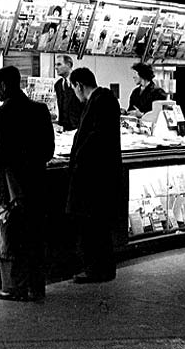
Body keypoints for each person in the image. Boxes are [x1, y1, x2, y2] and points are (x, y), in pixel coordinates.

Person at [0, 66, 55, 301]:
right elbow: (48, 149)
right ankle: (37, 287)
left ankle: (16, 287)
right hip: (37, 181)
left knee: (13, 237)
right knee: (36, 236)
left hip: (12, 187)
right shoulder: (40, 110)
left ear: (4, 86)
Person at [67, 67, 122, 283]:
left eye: (74, 89)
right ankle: (101, 269)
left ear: (79, 85)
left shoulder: (100, 101)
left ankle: (96, 270)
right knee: (98, 226)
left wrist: (78, 159)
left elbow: (94, 137)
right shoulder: (105, 99)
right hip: (101, 174)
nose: (75, 94)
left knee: (93, 226)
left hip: (94, 176)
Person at [54, 54, 83, 131]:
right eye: (55, 65)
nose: (56, 67)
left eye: (59, 64)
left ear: (68, 65)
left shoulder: (80, 81)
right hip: (63, 129)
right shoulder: (58, 85)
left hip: (79, 129)